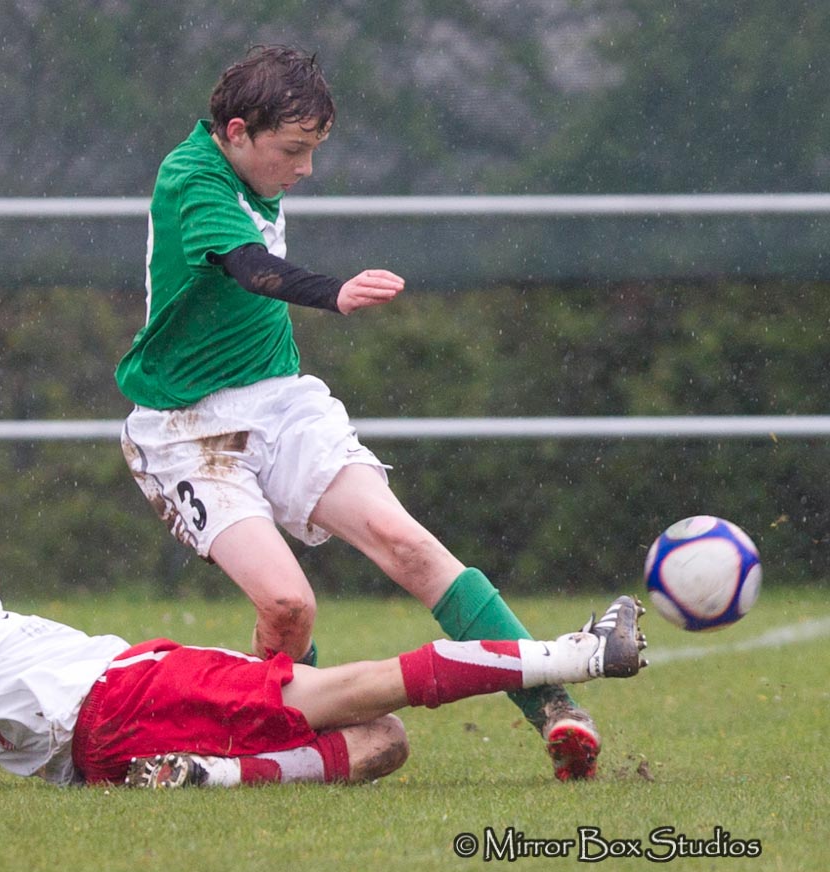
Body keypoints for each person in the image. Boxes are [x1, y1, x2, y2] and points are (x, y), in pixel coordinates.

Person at [113, 44, 621, 780]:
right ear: (236, 132)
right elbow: (247, 267)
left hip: (280, 400)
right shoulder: (192, 177)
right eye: (293, 151)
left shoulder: (250, 165)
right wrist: (333, 292)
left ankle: (555, 708)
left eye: (313, 150)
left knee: (406, 544)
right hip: (186, 430)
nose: (304, 169)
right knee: (287, 608)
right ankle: (291, 744)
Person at [0, 495, 646, 795]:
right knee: (356, 688)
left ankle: (214, 776)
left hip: (109, 749)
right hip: (128, 692)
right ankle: (583, 655)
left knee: (382, 742)